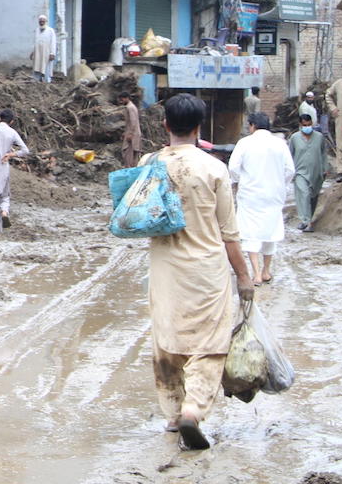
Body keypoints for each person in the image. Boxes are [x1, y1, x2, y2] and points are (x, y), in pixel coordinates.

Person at [142, 93, 253, 451]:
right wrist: (244, 276)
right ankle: (193, 409)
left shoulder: (149, 164)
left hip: (165, 269)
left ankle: (174, 414)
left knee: (168, 342)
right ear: (199, 127)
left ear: (165, 125)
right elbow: (230, 234)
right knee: (209, 345)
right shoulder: (214, 168)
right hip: (206, 270)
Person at [228, 112, 295, 284]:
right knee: (270, 230)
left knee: (251, 233)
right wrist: (281, 184)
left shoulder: (245, 143)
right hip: (274, 194)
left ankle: (256, 273)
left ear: (252, 126)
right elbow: (290, 170)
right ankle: (266, 271)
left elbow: (233, 167)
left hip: (251, 194)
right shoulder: (280, 144)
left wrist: (240, 181)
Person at [288, 114, 327, 232]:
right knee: (303, 194)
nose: (307, 127)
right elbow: (290, 155)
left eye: (309, 125)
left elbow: (324, 153)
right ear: (300, 125)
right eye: (305, 125)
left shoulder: (319, 137)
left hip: (316, 172)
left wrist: (325, 168)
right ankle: (306, 221)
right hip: (300, 172)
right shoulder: (294, 138)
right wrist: (290, 171)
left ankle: (308, 218)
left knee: (313, 196)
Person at [119, 91, 142, 168]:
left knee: (128, 154)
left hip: (132, 134)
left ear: (126, 98)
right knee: (133, 154)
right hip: (133, 133)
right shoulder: (131, 106)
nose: (121, 102)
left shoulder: (130, 107)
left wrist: (130, 134)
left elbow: (133, 121)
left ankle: (129, 171)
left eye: (122, 100)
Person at [32, 14, 58, 82]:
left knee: (46, 67)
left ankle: (47, 81)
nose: (41, 22)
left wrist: (52, 53)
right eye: (40, 21)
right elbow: (35, 41)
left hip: (47, 52)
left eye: (43, 21)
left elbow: (53, 42)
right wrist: (33, 52)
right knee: (37, 66)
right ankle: (36, 80)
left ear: (46, 21)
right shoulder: (37, 30)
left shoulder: (50, 30)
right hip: (38, 52)